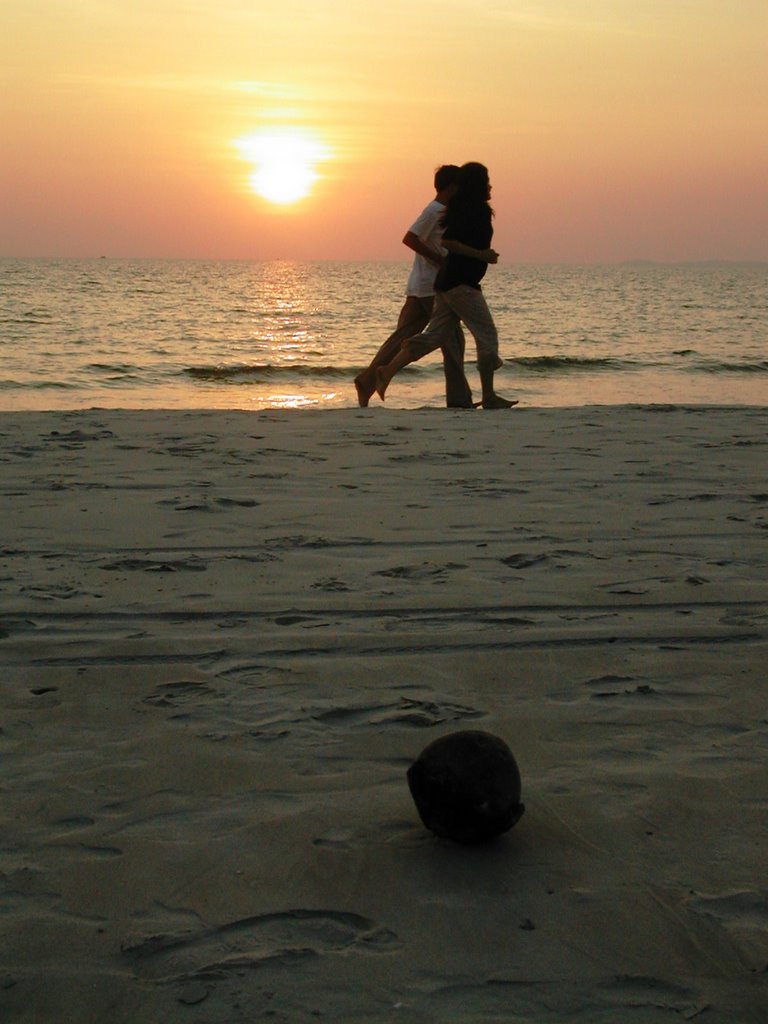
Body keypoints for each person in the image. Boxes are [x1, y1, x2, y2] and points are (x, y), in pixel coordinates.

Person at [375, 162, 516, 410]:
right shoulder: (475, 211)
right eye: (487, 181)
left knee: (434, 336)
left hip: (444, 283)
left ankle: (387, 372)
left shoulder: (458, 210)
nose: (491, 186)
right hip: (461, 283)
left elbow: (449, 240)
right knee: (487, 336)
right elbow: (449, 242)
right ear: (477, 185)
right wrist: (481, 255)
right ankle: (490, 395)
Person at [354, 165, 473, 408]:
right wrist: (438, 259)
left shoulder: (442, 211)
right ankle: (460, 400)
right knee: (452, 341)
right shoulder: (436, 210)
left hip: (421, 285)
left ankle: (367, 380)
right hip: (433, 286)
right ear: (451, 187)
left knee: (403, 337)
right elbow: (410, 238)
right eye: (459, 185)